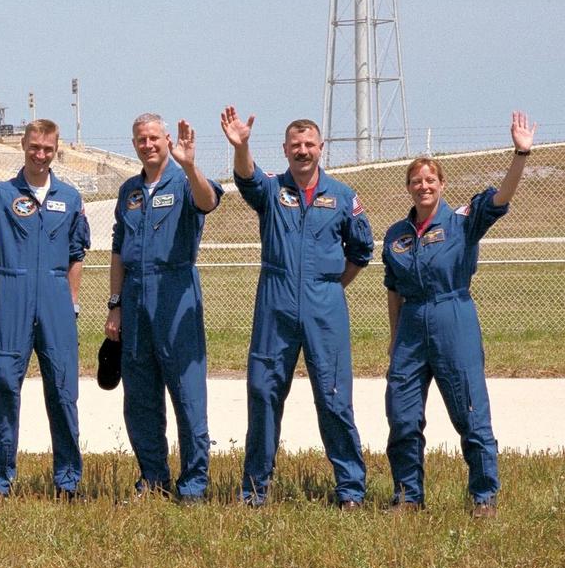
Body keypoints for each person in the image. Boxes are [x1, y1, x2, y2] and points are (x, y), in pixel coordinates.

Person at [383, 112, 537, 518]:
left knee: (470, 410)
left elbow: (502, 198)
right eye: (416, 181)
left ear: (441, 185)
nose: (424, 186)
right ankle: (407, 496)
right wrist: (395, 338)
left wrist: (520, 153)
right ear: (409, 188)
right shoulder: (395, 236)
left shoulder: (462, 222)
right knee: (402, 414)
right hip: (411, 329)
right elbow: (394, 291)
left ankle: (484, 496)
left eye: (430, 179)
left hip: (454, 318)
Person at [220, 106, 374, 509]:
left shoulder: (342, 197)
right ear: (285, 150)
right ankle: (255, 490)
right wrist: (242, 146)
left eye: (309, 144)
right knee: (263, 391)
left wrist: (332, 285)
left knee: (335, 396)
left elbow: (361, 250)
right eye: (295, 145)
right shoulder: (273, 190)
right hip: (276, 303)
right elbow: (246, 178)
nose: (302, 151)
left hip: (326, 306)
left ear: (321, 148)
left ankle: (351, 490)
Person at [0, 106, 90, 499]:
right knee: (5, 384)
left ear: (56, 151)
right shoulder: (0, 195)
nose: (40, 155)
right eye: (34, 147)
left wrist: (71, 300)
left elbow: (78, 253)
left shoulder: (70, 198)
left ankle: (68, 480)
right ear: (23, 146)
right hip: (11, 294)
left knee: (62, 390)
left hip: (57, 299)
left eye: (48, 149)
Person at [106, 113, 223, 502]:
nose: (148, 144)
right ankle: (153, 479)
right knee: (139, 396)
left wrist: (190, 165)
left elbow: (208, 202)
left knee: (188, 394)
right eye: (141, 139)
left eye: (154, 137)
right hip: (135, 298)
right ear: (134, 143)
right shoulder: (129, 192)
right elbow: (119, 251)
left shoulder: (186, 180)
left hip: (176, 292)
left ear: (167, 139)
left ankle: (193, 485)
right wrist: (115, 305)